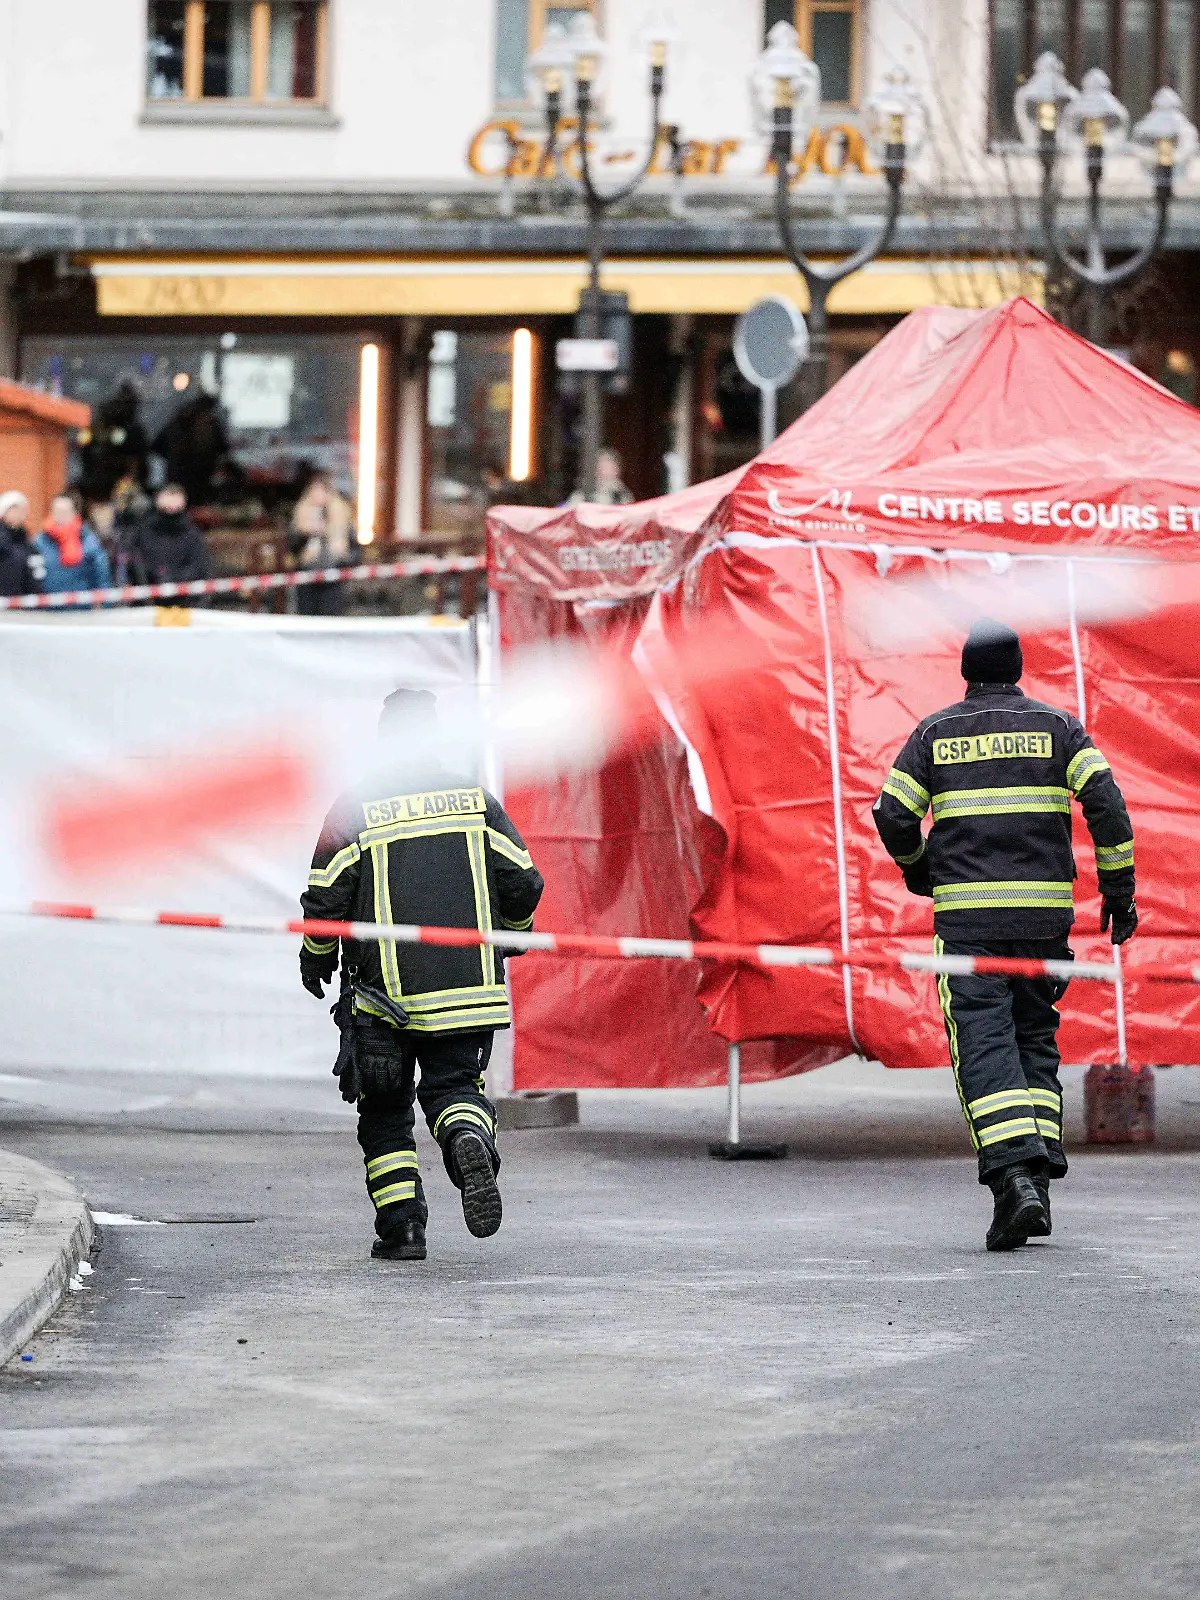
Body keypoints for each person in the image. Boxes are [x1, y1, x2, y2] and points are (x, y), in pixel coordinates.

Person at [873, 619, 1137, 1252]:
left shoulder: (936, 733)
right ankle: (1038, 1184)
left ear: (966, 672)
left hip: (971, 924)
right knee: (1033, 1039)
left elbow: (892, 811)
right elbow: (1107, 804)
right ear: (1018, 670)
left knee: (985, 1044)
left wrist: (920, 871)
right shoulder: (1058, 728)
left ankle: (1013, 1181)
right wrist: (1119, 893)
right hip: (1045, 922)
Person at [299, 689, 544, 1262]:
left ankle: (403, 1227)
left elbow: (326, 899)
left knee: (385, 1111)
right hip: (468, 988)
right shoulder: (476, 801)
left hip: (383, 997)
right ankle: (466, 1140)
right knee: (456, 1091)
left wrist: (316, 957)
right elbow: (525, 883)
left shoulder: (356, 805)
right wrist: (510, 935)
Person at [128, 484, 212, 600]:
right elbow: (136, 566)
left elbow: (199, 567)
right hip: (148, 603)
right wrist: (158, 575)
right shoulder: (143, 532)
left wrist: (175, 580)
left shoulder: (192, 535)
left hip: (185, 603)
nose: (171, 509)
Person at [287, 474, 355, 616]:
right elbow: (292, 547)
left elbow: (356, 550)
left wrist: (342, 562)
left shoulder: (341, 516)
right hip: (307, 577)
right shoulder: (301, 515)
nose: (318, 496)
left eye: (321, 492)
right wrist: (305, 534)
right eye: (314, 492)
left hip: (333, 579)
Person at [151, 392, 230, 508]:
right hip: (200, 477)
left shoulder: (175, 425)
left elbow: (157, 447)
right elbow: (222, 449)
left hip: (179, 476)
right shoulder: (209, 426)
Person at [34, 493, 112, 596]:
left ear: (74, 513)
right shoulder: (40, 542)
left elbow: (100, 573)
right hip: (47, 607)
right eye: (57, 511)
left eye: (65, 512)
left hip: (82, 606)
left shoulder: (88, 540)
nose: (61, 516)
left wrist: (103, 602)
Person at [0, 491, 45, 597]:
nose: (18, 515)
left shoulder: (27, 542)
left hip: (23, 603)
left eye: (21, 511)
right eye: (13, 510)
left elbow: (35, 571)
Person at [568, 447, 635, 507]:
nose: (607, 473)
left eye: (611, 468)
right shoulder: (583, 494)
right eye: (604, 468)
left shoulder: (623, 495)